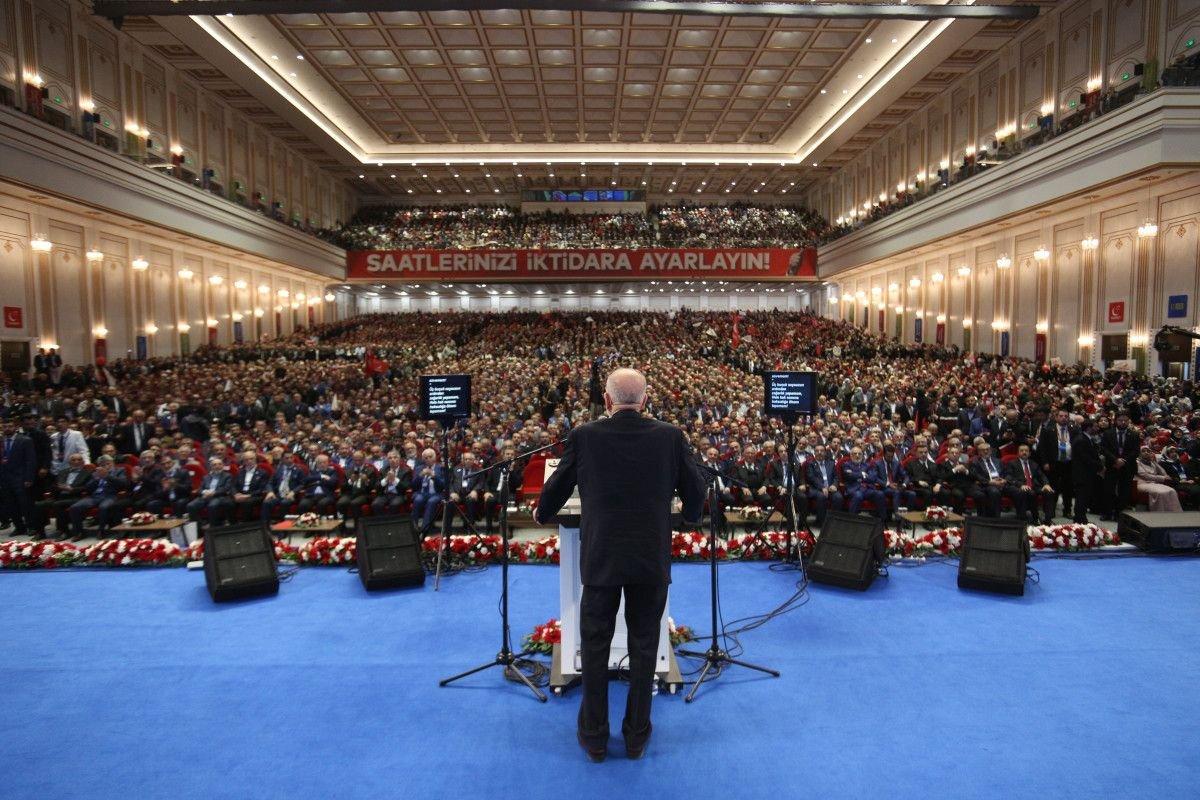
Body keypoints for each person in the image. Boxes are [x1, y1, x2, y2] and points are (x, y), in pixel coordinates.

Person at [534, 368, 704, 763]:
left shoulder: (585, 436)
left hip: (601, 558)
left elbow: (557, 486)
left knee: (594, 646)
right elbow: (696, 492)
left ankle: (594, 737)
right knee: (645, 647)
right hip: (649, 557)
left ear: (607, 402)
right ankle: (636, 736)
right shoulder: (670, 437)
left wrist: (543, 512)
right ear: (645, 400)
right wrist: (691, 516)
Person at [67, 455, 130, 540]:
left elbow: (123, 484)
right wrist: (96, 479)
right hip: (95, 496)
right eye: (103, 465)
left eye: (108, 464)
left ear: (113, 463)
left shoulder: (119, 470)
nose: (106, 466)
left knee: (103, 507)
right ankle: (79, 533)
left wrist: (107, 476)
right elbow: (87, 488)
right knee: (74, 507)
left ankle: (101, 531)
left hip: (111, 496)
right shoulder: (95, 473)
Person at [0, 418, 37, 537]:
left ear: (15, 427)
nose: (7, 429)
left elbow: (30, 461)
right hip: (5, 477)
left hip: (21, 477)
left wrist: (29, 478)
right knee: (10, 504)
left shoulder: (25, 440)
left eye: (10, 426)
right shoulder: (1, 441)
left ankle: (31, 526)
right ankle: (19, 527)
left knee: (25, 503)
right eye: (5, 426)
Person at [1003, 443, 1056, 524]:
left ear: (1029, 453)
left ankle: (1048, 520)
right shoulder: (1012, 464)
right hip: (1022, 487)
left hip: (1034, 486)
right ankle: (1035, 517)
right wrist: (1020, 485)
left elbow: (1042, 475)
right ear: (1018, 453)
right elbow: (1008, 477)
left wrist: (1046, 484)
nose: (1024, 452)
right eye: (1022, 451)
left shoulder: (1034, 463)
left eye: (1026, 451)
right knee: (1031, 493)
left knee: (1049, 492)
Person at [1070, 419, 1105, 522]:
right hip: (1082, 474)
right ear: (1089, 428)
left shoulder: (1086, 439)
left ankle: (1081, 517)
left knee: (1084, 497)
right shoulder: (1081, 440)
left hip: (1086, 474)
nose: (1097, 428)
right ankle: (1079, 518)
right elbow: (1085, 458)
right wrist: (1100, 466)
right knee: (1081, 497)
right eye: (1095, 426)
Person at [1135, 448, 1183, 513]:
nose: (1146, 453)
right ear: (1139, 453)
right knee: (1161, 493)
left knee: (1172, 491)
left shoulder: (1152, 463)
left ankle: (1175, 514)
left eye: (1148, 451)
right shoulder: (1137, 462)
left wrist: (1154, 462)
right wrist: (1163, 478)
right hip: (1142, 483)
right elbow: (1146, 476)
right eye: (1143, 451)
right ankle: (1160, 514)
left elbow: (1163, 473)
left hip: (1154, 483)